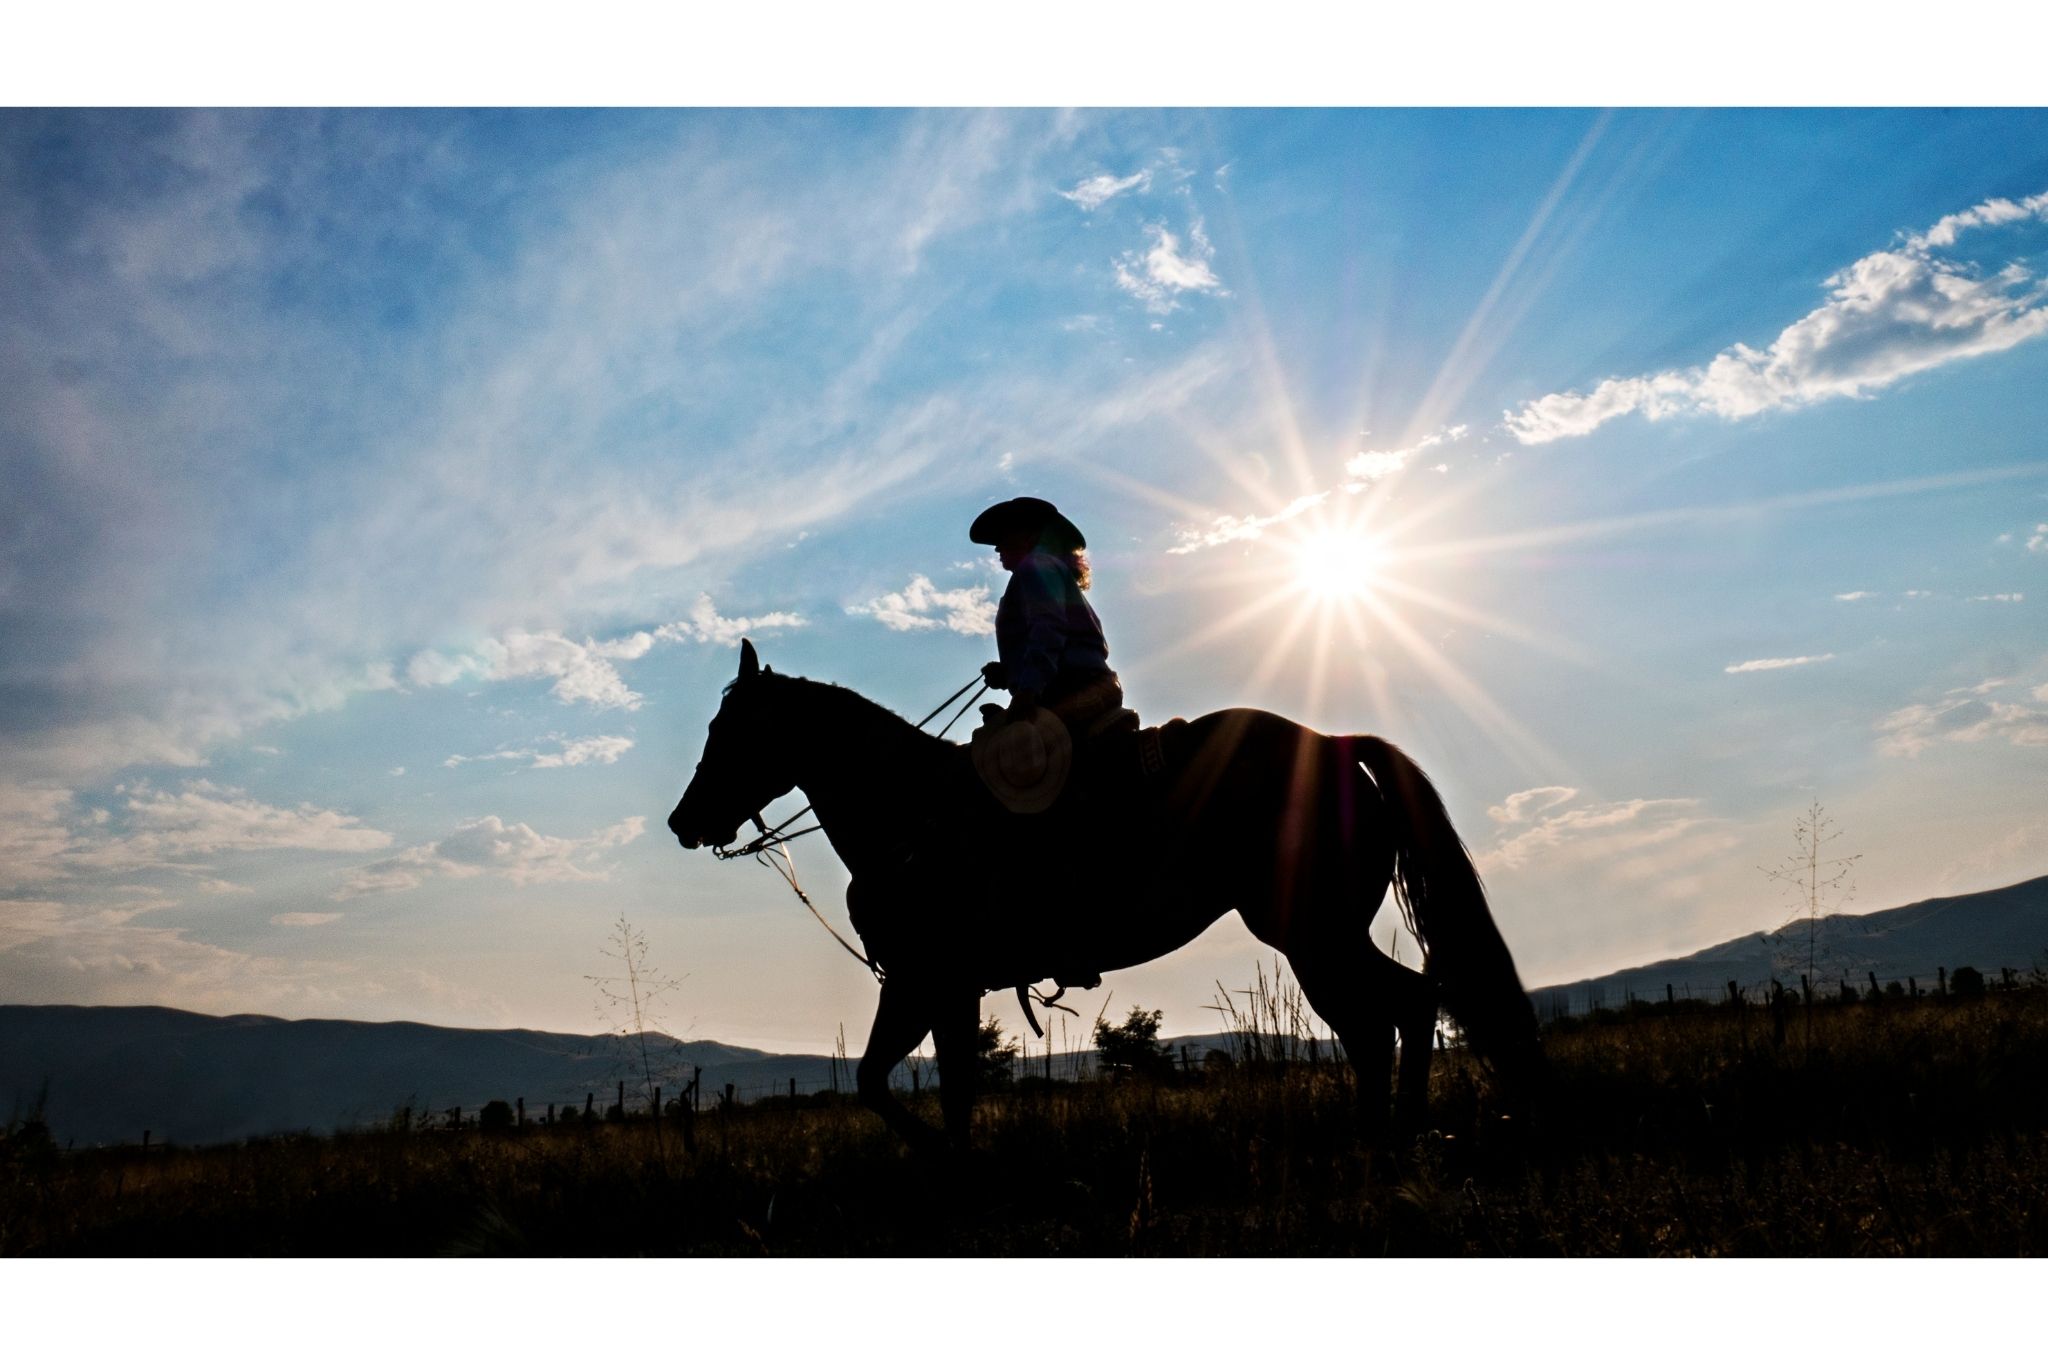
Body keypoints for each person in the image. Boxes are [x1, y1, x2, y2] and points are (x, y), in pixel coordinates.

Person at [969, 497, 1125, 733]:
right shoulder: (1044, 567)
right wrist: (1009, 673)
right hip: (1092, 685)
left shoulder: (1035, 566)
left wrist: (1027, 690)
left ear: (1030, 535)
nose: (997, 547)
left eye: (1004, 536)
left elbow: (1048, 627)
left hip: (1073, 690)